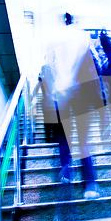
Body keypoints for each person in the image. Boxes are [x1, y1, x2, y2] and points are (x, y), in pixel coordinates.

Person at [41, 12, 104, 205]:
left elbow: (47, 67)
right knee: (83, 140)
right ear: (74, 20)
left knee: (64, 137)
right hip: (81, 94)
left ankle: (67, 169)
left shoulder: (53, 40)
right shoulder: (82, 37)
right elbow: (97, 65)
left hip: (61, 94)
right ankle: (90, 184)